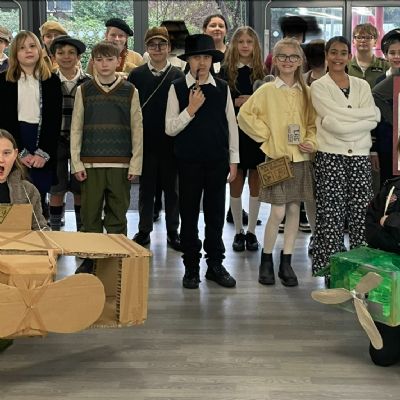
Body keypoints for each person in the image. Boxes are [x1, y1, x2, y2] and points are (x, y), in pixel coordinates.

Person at [238, 38, 316, 287]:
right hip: (276, 158)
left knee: (293, 210)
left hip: (300, 159)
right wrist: (267, 135)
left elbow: (313, 124)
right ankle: (266, 258)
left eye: (293, 57)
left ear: (300, 61)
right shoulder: (267, 90)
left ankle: (287, 260)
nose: (288, 61)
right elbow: (245, 115)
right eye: (282, 56)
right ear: (275, 60)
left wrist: (310, 141)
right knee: (278, 211)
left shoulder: (307, 92)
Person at [165, 34, 239, 289]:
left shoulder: (222, 87)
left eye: (207, 57)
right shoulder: (176, 87)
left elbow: (231, 125)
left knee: (215, 214)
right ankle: (191, 266)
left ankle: (215, 264)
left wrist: (233, 160)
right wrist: (191, 109)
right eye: (197, 57)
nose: (202, 62)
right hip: (188, 162)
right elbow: (169, 128)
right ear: (189, 61)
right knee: (188, 214)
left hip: (217, 161)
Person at [310, 36, 380, 280]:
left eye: (343, 53)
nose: (338, 57)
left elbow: (373, 120)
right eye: (333, 52)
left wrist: (344, 121)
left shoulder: (362, 85)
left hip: (359, 156)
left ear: (349, 56)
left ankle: (361, 273)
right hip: (330, 156)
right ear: (326, 56)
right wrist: (361, 118)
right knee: (331, 215)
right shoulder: (319, 86)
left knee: (361, 214)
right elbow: (331, 123)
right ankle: (332, 273)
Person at [70, 40, 143, 240]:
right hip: (90, 164)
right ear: (92, 62)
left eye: (109, 59)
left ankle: (116, 255)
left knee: (118, 215)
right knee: (89, 215)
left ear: (118, 61)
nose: (104, 64)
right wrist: (76, 163)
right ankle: (90, 255)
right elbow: (76, 129)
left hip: (121, 164)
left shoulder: (130, 91)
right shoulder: (84, 90)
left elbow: (137, 130)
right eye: (99, 59)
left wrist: (135, 164)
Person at [128, 26, 183, 250]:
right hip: (145, 141)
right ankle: (144, 230)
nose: (157, 48)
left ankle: (173, 231)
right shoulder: (136, 75)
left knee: (173, 189)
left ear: (169, 47)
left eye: (162, 44)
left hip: (172, 142)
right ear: (146, 48)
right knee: (146, 189)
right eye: (152, 44)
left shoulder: (178, 75)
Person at [0, 30, 62, 218]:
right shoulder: (4, 81)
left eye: (32, 46)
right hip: (15, 138)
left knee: (39, 190)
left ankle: (41, 224)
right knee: (15, 188)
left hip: (43, 139)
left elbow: (54, 120)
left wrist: (43, 152)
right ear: (15, 53)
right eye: (22, 48)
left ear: (40, 49)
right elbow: (4, 120)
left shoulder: (51, 81)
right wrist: (20, 151)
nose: (28, 51)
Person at [0, 128, 48, 353]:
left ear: (16, 155)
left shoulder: (28, 191)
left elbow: (41, 228)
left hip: (15, 265)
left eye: (6, 153)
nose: (1, 159)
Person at [219, 26, 264, 252]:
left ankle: (252, 232)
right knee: (236, 180)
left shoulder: (263, 72)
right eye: (241, 41)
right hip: (234, 132)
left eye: (249, 41)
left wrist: (253, 102)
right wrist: (235, 102)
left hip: (256, 135)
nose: (245, 46)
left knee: (256, 181)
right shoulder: (224, 71)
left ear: (255, 46)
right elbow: (218, 101)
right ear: (234, 45)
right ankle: (238, 231)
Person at [48, 35, 91, 231]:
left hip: (81, 142)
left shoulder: (88, 82)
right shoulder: (48, 80)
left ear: (79, 57)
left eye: (71, 53)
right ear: (54, 57)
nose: (66, 57)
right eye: (61, 53)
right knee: (56, 188)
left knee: (79, 187)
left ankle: (81, 229)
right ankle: (55, 229)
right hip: (55, 140)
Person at [302, 39, 327, 254]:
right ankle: (315, 234)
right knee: (310, 194)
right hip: (307, 145)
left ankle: (329, 236)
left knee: (329, 194)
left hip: (331, 144)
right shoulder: (302, 81)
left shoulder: (338, 79)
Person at [371, 29, 400, 187]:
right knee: (389, 188)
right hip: (386, 144)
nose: (396, 57)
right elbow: (374, 118)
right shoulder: (379, 81)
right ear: (385, 55)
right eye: (392, 53)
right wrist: (374, 149)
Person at [348, 23, 389, 88]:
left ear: (375, 42)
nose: (363, 40)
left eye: (368, 37)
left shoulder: (385, 65)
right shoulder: (346, 66)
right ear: (353, 41)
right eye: (359, 37)